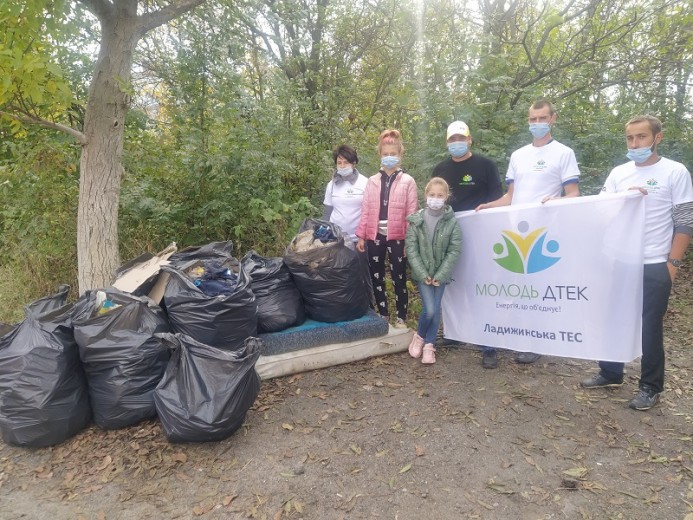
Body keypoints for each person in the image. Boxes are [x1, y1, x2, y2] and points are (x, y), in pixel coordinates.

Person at [581, 115, 693, 411]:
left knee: (649, 326)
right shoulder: (619, 173)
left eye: (641, 137)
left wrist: (673, 264)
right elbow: (602, 211)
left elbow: (684, 221)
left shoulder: (675, 172)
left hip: (656, 262)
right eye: (630, 138)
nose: (635, 143)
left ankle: (650, 387)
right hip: (622, 260)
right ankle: (610, 372)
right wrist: (622, 198)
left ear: (657, 137)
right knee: (614, 317)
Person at [476, 99, 580, 364]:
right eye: (532, 119)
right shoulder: (518, 155)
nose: (536, 124)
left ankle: (536, 341)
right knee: (518, 290)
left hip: (545, 235)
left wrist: (554, 202)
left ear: (553, 119)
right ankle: (517, 336)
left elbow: (574, 194)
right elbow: (510, 196)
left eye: (541, 118)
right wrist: (488, 206)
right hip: (516, 235)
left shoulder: (563, 153)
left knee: (539, 290)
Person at [432, 120, 503, 368]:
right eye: (452, 140)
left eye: (461, 138)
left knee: (483, 286)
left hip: (481, 237)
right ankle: (455, 334)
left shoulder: (485, 166)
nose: (457, 143)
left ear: (470, 139)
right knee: (453, 287)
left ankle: (489, 344)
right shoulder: (440, 168)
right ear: (447, 142)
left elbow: (498, 202)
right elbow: (434, 202)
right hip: (449, 237)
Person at [356, 129, 418, 328]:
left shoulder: (408, 181)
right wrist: (362, 236)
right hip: (375, 236)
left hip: (397, 236)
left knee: (399, 276)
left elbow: (412, 214)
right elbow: (365, 210)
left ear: (400, 154)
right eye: (385, 154)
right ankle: (383, 313)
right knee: (377, 276)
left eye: (393, 154)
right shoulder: (372, 181)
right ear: (380, 155)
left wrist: (410, 240)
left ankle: (401, 316)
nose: (389, 157)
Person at [405, 177, 462, 364]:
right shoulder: (416, 220)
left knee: (436, 309)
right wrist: (423, 274)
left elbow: (454, 250)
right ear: (425, 195)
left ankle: (429, 345)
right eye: (432, 194)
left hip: (441, 275)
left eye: (440, 195)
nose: (435, 198)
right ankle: (420, 335)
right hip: (423, 274)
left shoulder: (451, 222)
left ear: (446, 197)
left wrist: (440, 274)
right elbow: (411, 249)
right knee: (429, 309)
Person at [323, 145, 368, 243]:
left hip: (358, 239)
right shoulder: (331, 185)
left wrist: (364, 237)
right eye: (339, 163)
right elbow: (327, 212)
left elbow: (370, 213)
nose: (342, 166)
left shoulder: (365, 183)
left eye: (346, 162)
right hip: (336, 238)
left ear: (353, 163)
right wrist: (324, 231)